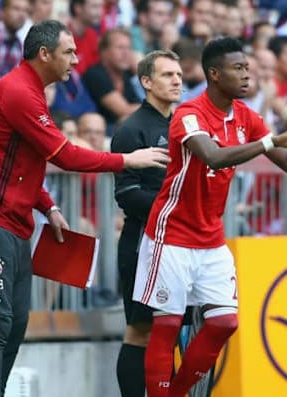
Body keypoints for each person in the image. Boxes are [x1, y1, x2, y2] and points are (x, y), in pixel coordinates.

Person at [0, 20, 170, 397]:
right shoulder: (19, 92)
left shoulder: (30, 91)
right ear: (44, 54)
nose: (76, 59)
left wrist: (48, 205)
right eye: (69, 52)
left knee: (16, 323)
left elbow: (20, 159)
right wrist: (126, 160)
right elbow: (65, 155)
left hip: (13, 221)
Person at [133, 37, 287, 397]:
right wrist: (273, 141)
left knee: (224, 322)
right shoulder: (188, 113)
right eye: (237, 68)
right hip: (171, 234)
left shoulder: (246, 117)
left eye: (247, 68)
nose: (246, 75)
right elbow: (215, 157)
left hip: (210, 237)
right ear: (214, 74)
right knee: (166, 327)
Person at [110, 49, 182, 397]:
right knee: (141, 330)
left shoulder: (183, 124)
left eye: (179, 75)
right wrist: (172, 209)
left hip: (182, 243)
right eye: (168, 75)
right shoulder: (132, 129)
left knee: (173, 329)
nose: (177, 80)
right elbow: (126, 193)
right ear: (146, 82)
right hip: (143, 241)